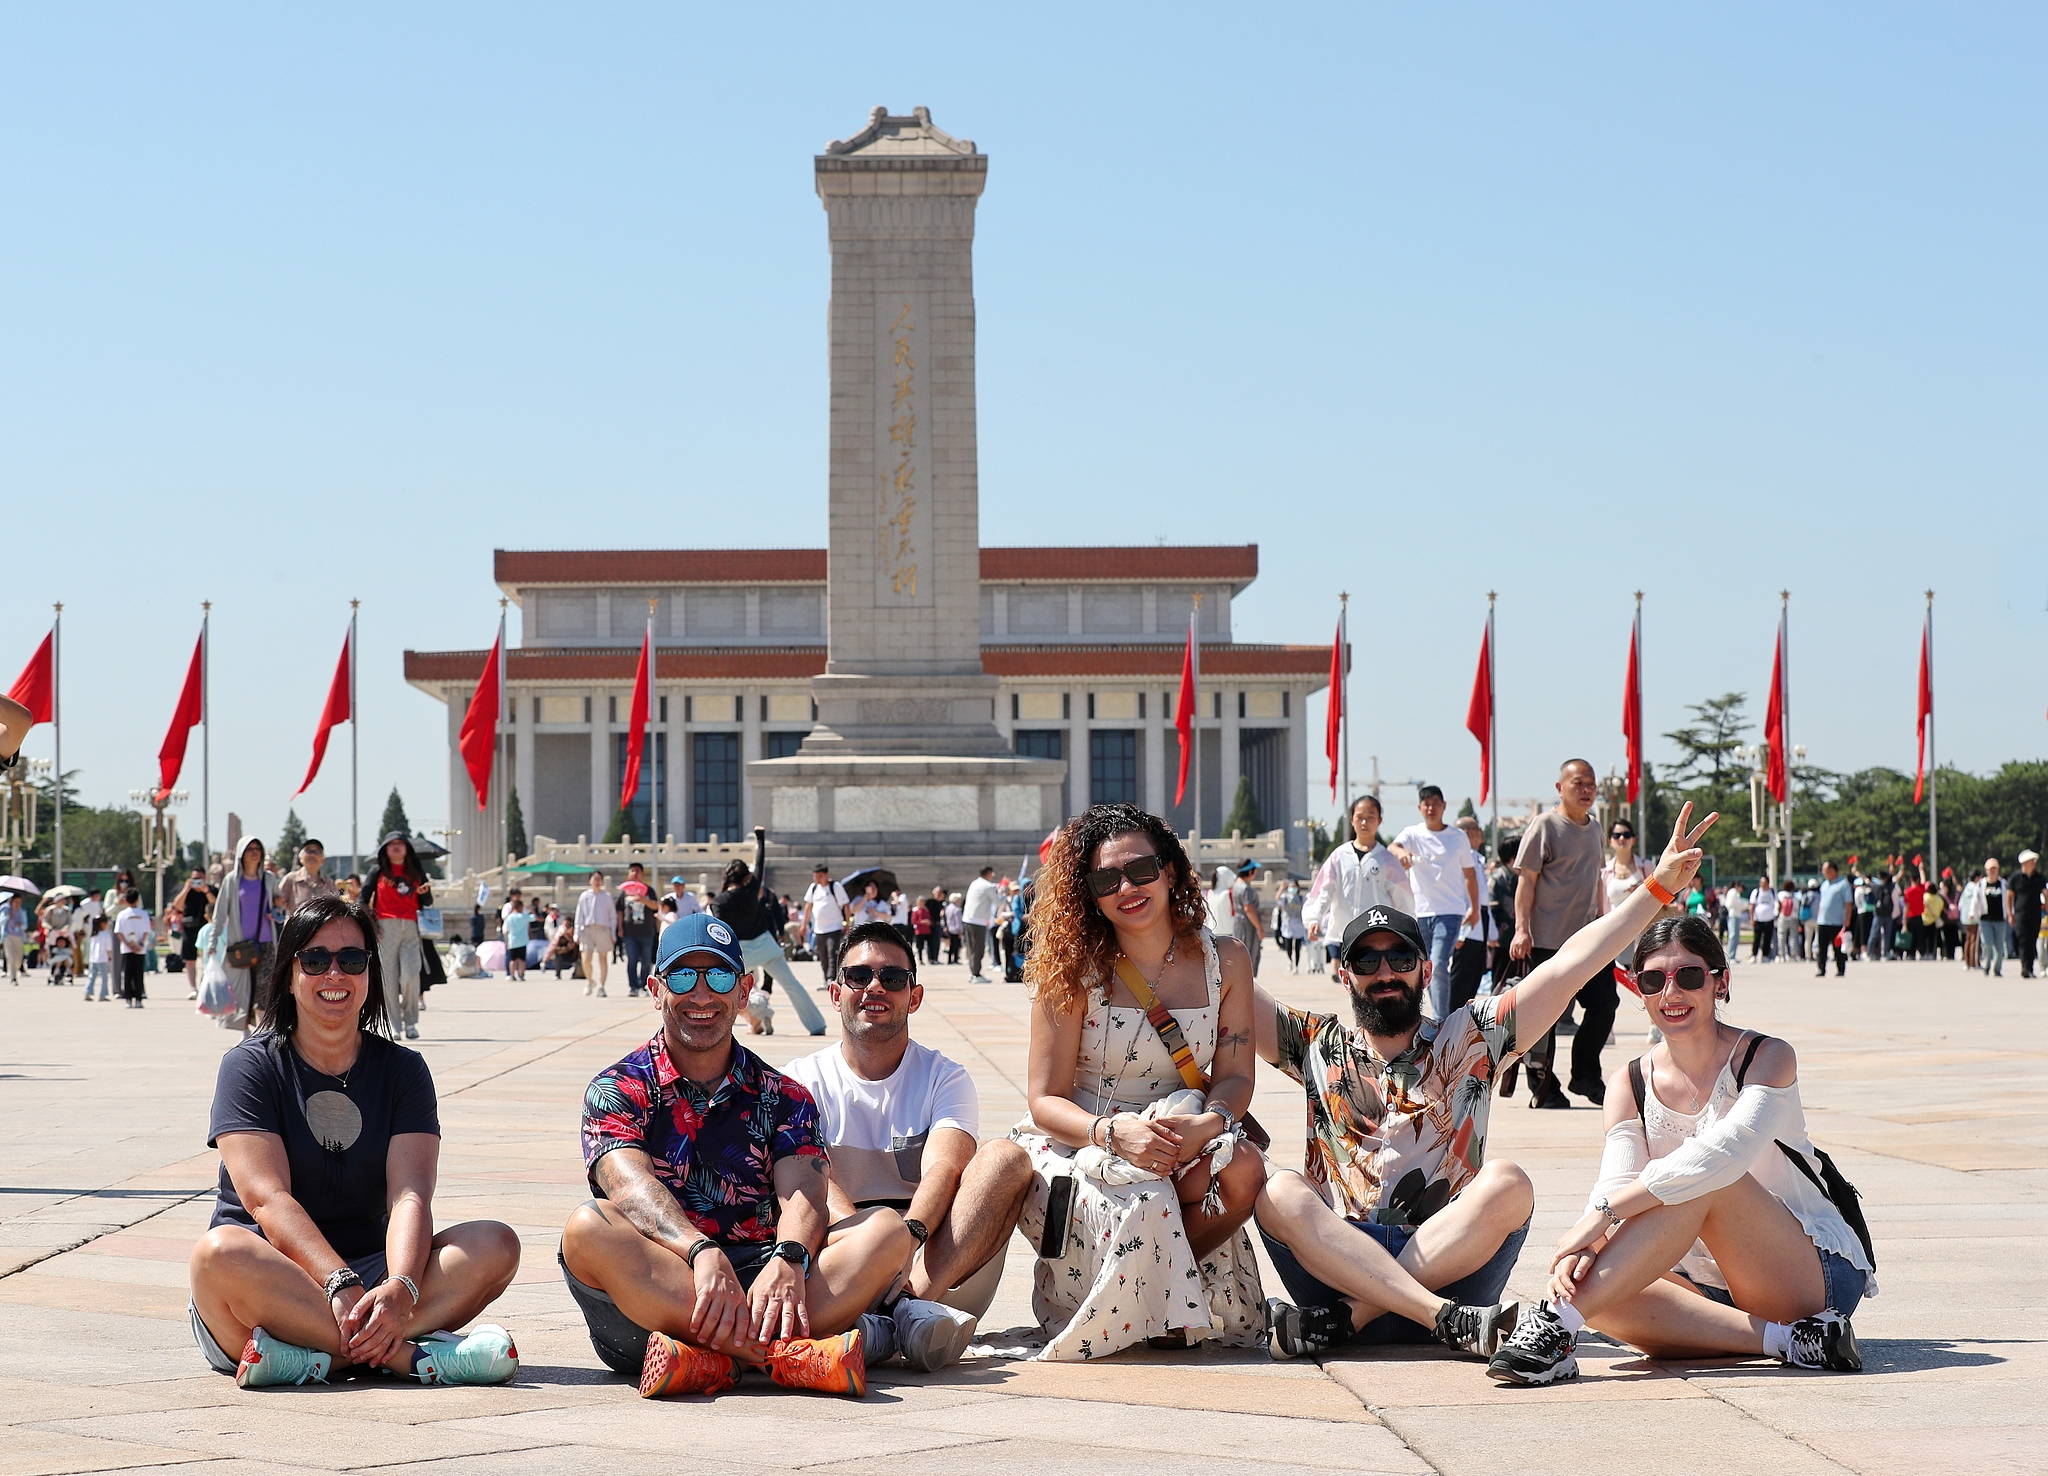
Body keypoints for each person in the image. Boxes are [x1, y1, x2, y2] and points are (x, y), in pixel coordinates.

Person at [1252, 805, 1721, 1366]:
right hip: (1347, 1268)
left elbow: (1571, 963)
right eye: (1366, 960)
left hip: (1448, 1268)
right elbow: (1221, 974)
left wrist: (1654, 890)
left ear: (1426, 971)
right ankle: (1423, 1316)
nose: (1384, 972)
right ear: (1344, 972)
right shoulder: (1310, 1042)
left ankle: (1357, 1317)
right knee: (1277, 1189)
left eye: (1400, 956)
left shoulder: (1472, 1034)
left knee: (1509, 1183)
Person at [1487, 911, 1872, 1384]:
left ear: (1720, 981)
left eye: (1689, 975)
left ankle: (1557, 1324)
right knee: (1591, 1284)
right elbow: (1617, 1181)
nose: (1671, 993)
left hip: (1806, 1275)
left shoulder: (1767, 1058)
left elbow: (1720, 1156)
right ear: (1638, 990)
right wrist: (1587, 1243)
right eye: (1653, 980)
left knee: (1704, 1179)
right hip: (1704, 1290)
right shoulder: (1629, 1081)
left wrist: (1601, 1218)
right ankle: (1794, 1341)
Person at [558, 912, 904, 1398]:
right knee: (589, 1228)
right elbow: (629, 1185)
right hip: (659, 1295)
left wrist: (790, 1257)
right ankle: (779, 1360)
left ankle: (712, 1363)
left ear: (743, 992)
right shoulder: (618, 1087)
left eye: (718, 976)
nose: (702, 995)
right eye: (683, 977)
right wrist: (700, 1252)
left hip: (766, 1281)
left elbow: (803, 1191)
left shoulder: (785, 1095)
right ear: (657, 990)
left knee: (886, 1229)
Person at [187, 894, 521, 1388]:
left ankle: (311, 1358)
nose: (335, 974)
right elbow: (266, 1199)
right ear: (288, 974)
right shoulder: (250, 1067)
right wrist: (336, 1282)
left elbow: (410, 1194)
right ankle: (406, 1356)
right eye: (316, 960)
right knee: (217, 1254)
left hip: (373, 1275)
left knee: (494, 1244)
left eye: (352, 960)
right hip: (271, 1278)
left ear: (371, 972)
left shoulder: (403, 1070)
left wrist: (402, 1286)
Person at [1011, 803, 1267, 1361]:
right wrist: (1113, 1134)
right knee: (1148, 1191)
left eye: (1142, 870)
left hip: (1184, 1126)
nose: (1127, 887)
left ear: (1170, 870)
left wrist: (1208, 1125)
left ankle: (1154, 1301)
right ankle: (1154, 1310)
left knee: (1242, 1167)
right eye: (1106, 879)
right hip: (1088, 1137)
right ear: (1089, 893)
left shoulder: (1227, 959)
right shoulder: (1072, 965)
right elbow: (1043, 1100)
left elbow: (1235, 1075)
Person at [786, 921, 1036, 1369]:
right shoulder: (801, 1079)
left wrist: (908, 1242)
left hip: (935, 1269)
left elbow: (945, 1168)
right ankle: (888, 1326)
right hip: (841, 1266)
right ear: (836, 992)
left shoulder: (945, 1077)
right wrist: (872, 1250)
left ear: (913, 997)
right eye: (859, 977)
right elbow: (811, 1176)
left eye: (893, 978)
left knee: (1007, 1158)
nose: (875, 988)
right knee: (781, 1164)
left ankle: (902, 1310)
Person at [1510, 759, 1610, 1109]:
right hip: (1547, 940)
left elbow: (1597, 880)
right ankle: (1543, 1087)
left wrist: (1606, 921)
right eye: (1578, 784)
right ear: (1560, 788)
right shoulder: (1545, 826)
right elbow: (1527, 881)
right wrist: (1521, 929)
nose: (1586, 791)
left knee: (1604, 1004)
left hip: (1590, 940)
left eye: (1591, 785)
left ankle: (1585, 1076)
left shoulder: (1596, 828)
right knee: (1545, 1017)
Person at [711, 827, 828, 1036]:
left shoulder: (719, 901)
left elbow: (720, 930)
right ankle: (816, 1025)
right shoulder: (751, 889)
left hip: (742, 953)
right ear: (746, 877)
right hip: (766, 946)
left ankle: (741, 1020)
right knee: (792, 985)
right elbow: (760, 864)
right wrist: (761, 839)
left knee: (721, 989)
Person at [1391, 786, 1483, 1020]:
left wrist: (1474, 908)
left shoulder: (1458, 837)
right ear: (1420, 808)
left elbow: (1469, 875)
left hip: (1450, 912)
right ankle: (1427, 1014)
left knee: (1439, 963)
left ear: (1444, 806)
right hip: (1420, 913)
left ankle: (1442, 1019)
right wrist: (1401, 853)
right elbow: (1393, 846)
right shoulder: (1412, 834)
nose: (1431, 808)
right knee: (1424, 966)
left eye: (1435, 803)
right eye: (1426, 804)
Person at [1303, 794, 1415, 969]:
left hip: (1376, 933)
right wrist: (1313, 919)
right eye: (1360, 817)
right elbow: (1324, 890)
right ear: (1352, 820)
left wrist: (1407, 930)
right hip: (1343, 933)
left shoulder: (1387, 859)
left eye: (1370, 817)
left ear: (1379, 820)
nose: (1365, 823)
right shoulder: (1339, 856)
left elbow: (1403, 898)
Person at [362, 834, 433, 1038]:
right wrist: (372, 925)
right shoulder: (378, 871)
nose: (396, 847)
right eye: (391, 844)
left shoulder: (416, 871)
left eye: (400, 843)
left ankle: (411, 1021)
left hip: (410, 926)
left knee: (411, 975)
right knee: (389, 979)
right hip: (385, 928)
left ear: (407, 848)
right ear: (384, 849)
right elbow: (363, 898)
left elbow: (427, 901)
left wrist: (424, 892)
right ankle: (394, 1024)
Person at [170, 869, 217, 1000]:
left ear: (205, 878)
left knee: (208, 958)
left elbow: (216, 905)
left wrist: (206, 890)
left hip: (207, 928)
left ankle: (206, 985)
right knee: (190, 960)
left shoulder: (211, 889)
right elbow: (177, 905)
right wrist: (186, 889)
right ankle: (193, 988)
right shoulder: (187, 891)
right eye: (194, 878)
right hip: (189, 928)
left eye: (200, 878)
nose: (197, 881)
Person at [617, 863, 661, 997]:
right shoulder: (624, 892)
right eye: (632, 871)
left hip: (646, 932)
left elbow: (655, 906)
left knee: (646, 961)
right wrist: (619, 928)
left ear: (642, 874)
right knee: (632, 960)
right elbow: (619, 911)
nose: (635, 874)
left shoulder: (648, 890)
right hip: (629, 932)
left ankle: (643, 985)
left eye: (637, 871)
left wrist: (643, 900)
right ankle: (633, 986)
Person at [804, 864, 851, 983]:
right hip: (819, 929)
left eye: (820, 875)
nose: (817, 878)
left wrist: (848, 923)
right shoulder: (814, 888)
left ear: (826, 875)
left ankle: (832, 978)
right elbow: (808, 906)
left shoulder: (835, 887)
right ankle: (826, 978)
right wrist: (803, 924)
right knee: (822, 955)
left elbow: (845, 905)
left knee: (832, 953)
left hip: (834, 927)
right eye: (815, 876)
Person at [574, 871, 617, 998]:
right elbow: (579, 915)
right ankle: (589, 981)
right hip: (587, 929)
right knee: (586, 958)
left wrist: (613, 933)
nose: (597, 881)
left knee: (602, 958)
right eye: (595, 879)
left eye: (599, 879)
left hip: (603, 929)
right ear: (590, 881)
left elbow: (612, 916)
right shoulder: (584, 896)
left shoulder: (607, 896)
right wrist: (577, 933)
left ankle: (601, 986)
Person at [115, 889, 154, 1007]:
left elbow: (118, 932)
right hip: (139, 949)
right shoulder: (143, 914)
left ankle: (128, 999)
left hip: (127, 948)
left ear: (125, 900)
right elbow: (146, 931)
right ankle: (138, 999)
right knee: (138, 974)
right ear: (138, 900)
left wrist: (127, 944)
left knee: (127, 974)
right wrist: (140, 944)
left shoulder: (121, 914)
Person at [277, 840, 336, 916]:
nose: (312, 855)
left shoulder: (329, 883)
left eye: (317, 851)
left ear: (323, 860)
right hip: (296, 926)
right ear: (301, 858)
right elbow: (276, 902)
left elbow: (335, 909)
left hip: (322, 927)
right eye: (308, 851)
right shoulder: (291, 879)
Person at [962, 865, 1000, 983]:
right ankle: (976, 974)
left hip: (968, 918)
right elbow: (998, 901)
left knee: (972, 947)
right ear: (988, 873)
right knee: (978, 948)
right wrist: (1002, 892)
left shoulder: (975, 883)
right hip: (977, 921)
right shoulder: (987, 886)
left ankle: (974, 972)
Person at [1814, 860, 1851, 977]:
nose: (1823, 873)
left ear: (1832, 871)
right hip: (1823, 921)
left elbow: (1848, 904)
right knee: (1822, 947)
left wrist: (1847, 919)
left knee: (1838, 948)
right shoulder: (1824, 885)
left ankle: (1840, 969)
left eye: (1825, 871)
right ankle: (1821, 969)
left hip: (1837, 922)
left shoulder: (1843, 884)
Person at [2010, 851, 2043, 980]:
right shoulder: (2016, 878)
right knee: (2023, 940)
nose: (2034, 863)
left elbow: (2045, 893)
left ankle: (2029, 967)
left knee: (2032, 940)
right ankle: (2025, 966)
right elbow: (2009, 896)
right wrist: (2010, 913)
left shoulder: (2039, 878)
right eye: (2031, 861)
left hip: (2035, 914)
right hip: (2020, 914)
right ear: (2024, 863)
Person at [1230, 861, 1266, 978]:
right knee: (1249, 954)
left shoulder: (1236, 885)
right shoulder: (1246, 889)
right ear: (1250, 872)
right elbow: (1249, 908)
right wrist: (1260, 928)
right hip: (1247, 925)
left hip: (1238, 923)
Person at [1978, 857, 2009, 976]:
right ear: (1986, 870)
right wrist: (1972, 913)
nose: (1993, 871)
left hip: (2000, 919)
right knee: (1987, 943)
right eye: (1990, 869)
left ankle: (1997, 969)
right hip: (1986, 919)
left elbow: (2008, 899)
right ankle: (1986, 965)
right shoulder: (1982, 884)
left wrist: (2010, 913)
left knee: (1999, 946)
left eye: (1995, 869)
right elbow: (1976, 900)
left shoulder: (2003, 884)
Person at [1275, 876, 1307, 972]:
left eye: (1294, 886)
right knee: (1288, 945)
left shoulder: (1301, 898)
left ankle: (1296, 966)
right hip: (1288, 924)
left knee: (1297, 946)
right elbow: (1277, 898)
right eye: (1290, 886)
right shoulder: (1285, 898)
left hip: (1298, 924)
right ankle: (1290, 961)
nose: (1292, 888)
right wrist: (1282, 887)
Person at [501, 896, 530, 981]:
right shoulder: (523, 916)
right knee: (521, 960)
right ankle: (521, 975)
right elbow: (534, 918)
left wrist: (506, 940)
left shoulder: (509, 918)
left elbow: (505, 930)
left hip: (512, 941)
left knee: (513, 959)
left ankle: (512, 974)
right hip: (522, 941)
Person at [1749, 880, 1778, 962]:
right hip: (1758, 919)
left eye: (1764, 883)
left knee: (1767, 938)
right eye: (1761, 883)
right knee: (1757, 938)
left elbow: (1778, 903)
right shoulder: (1756, 892)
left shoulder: (1772, 892)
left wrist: (1777, 914)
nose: (1762, 884)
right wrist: (1752, 918)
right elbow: (1752, 905)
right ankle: (1754, 955)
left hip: (1769, 919)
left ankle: (1765, 956)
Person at [1, 892, 26, 983]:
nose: (17, 904)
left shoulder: (22, 912)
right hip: (8, 936)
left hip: (19, 936)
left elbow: (25, 925)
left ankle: (16, 969)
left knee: (19, 958)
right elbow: (1, 922)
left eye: (19, 902)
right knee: (10, 956)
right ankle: (13, 977)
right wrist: (7, 916)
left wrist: (21, 925)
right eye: (16, 902)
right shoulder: (6, 910)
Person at [920, 885, 946, 966]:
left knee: (937, 942)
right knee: (930, 943)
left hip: (938, 924)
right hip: (930, 924)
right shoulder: (929, 902)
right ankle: (931, 958)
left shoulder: (942, 903)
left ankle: (936, 958)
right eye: (937, 893)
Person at [943, 892, 963, 965]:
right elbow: (958, 921)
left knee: (951, 945)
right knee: (956, 945)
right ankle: (955, 959)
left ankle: (949, 960)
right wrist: (960, 930)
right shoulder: (957, 909)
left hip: (950, 928)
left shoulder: (948, 908)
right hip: (956, 929)